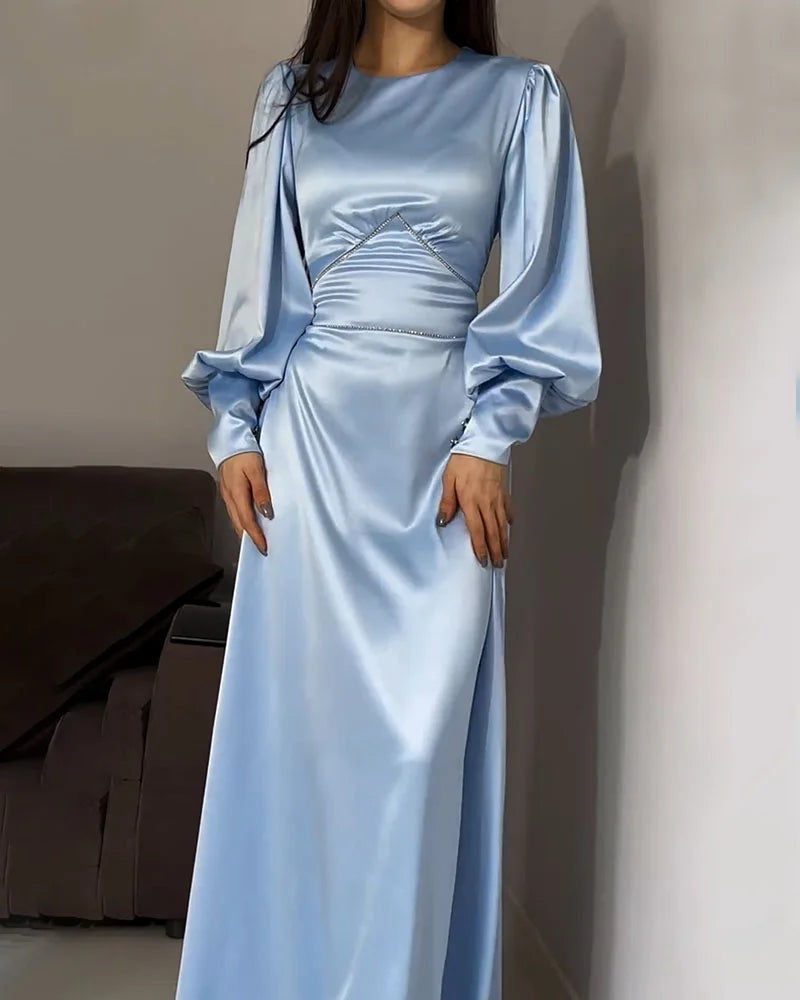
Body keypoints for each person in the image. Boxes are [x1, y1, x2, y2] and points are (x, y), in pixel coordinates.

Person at [176, 0, 601, 997]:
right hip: (310, 463)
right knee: (303, 763)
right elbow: (260, 291)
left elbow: (542, 298)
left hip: (441, 465)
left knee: (415, 756)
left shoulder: (519, 99)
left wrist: (489, 438)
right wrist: (236, 429)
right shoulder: (291, 100)